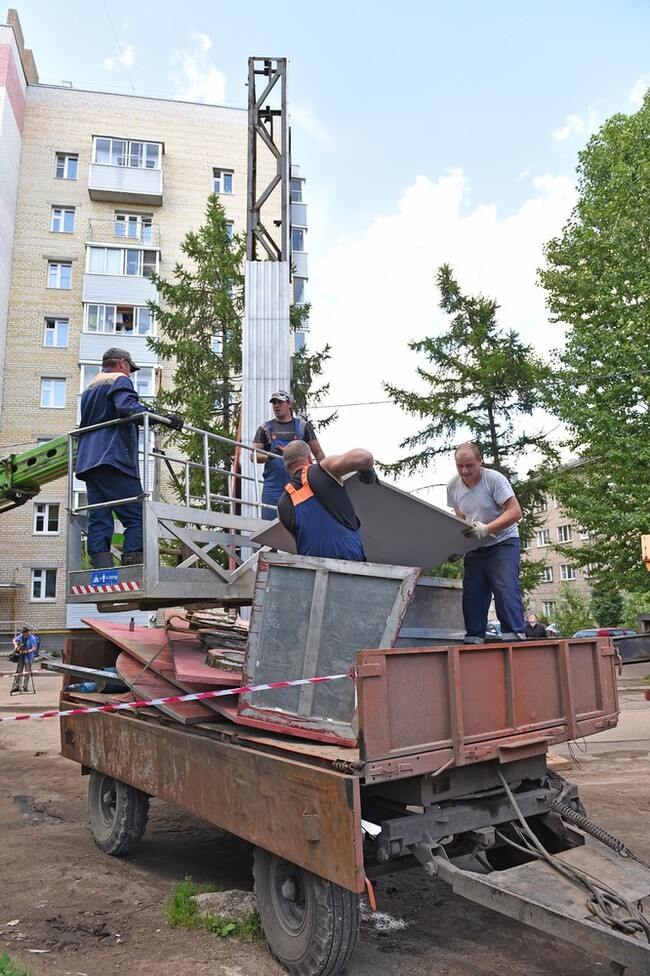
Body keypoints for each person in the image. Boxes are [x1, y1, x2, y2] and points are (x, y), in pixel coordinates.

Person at [75, 347, 182, 569]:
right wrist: (163, 419)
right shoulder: (119, 380)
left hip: (89, 460)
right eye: (130, 369)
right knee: (140, 517)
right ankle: (133, 566)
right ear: (122, 363)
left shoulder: (90, 387)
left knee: (99, 515)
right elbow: (128, 409)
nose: (130, 374)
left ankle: (100, 566)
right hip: (113, 458)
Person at [447, 442, 526, 644]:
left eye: (469, 465)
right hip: (476, 548)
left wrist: (488, 529)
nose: (465, 471)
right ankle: (474, 641)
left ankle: (514, 641)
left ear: (480, 461)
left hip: (503, 542)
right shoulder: (453, 486)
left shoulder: (494, 480)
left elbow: (515, 512)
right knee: (472, 596)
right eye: (460, 466)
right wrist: (457, 546)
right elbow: (460, 519)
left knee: (505, 589)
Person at [277, 440, 378, 560]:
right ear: (310, 458)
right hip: (350, 564)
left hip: (312, 570)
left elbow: (299, 542)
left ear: (287, 468)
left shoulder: (281, 506)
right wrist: (369, 472)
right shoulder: (323, 470)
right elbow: (364, 457)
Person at [252, 390, 325, 520]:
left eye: (280, 402)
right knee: (270, 525)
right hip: (272, 487)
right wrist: (269, 456)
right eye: (274, 403)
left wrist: (325, 474)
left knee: (303, 521)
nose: (276, 406)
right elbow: (253, 455)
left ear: (289, 404)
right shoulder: (265, 428)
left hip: (300, 483)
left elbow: (318, 452)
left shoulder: (303, 427)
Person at [10, 626, 38, 694]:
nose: (23, 635)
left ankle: (25, 686)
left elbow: (34, 648)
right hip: (21, 656)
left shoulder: (32, 638)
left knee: (27, 671)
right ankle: (16, 686)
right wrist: (16, 646)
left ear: (27, 632)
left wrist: (27, 651)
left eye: (24, 633)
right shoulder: (21, 636)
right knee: (19, 670)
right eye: (22, 633)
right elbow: (14, 640)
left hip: (28, 656)